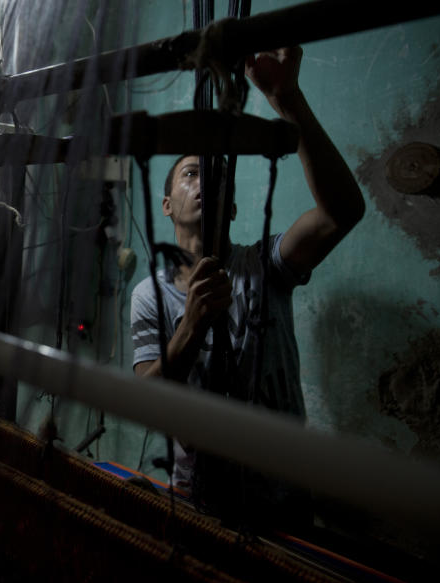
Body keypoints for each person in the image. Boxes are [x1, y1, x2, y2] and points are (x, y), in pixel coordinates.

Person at [130, 47, 365, 527]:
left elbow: (342, 212)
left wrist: (288, 101)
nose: (205, 182)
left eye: (216, 176)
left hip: (283, 502)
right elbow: (144, 401)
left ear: (233, 207)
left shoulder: (265, 265)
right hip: (199, 502)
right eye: (192, 173)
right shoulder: (147, 296)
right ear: (167, 205)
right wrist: (190, 326)